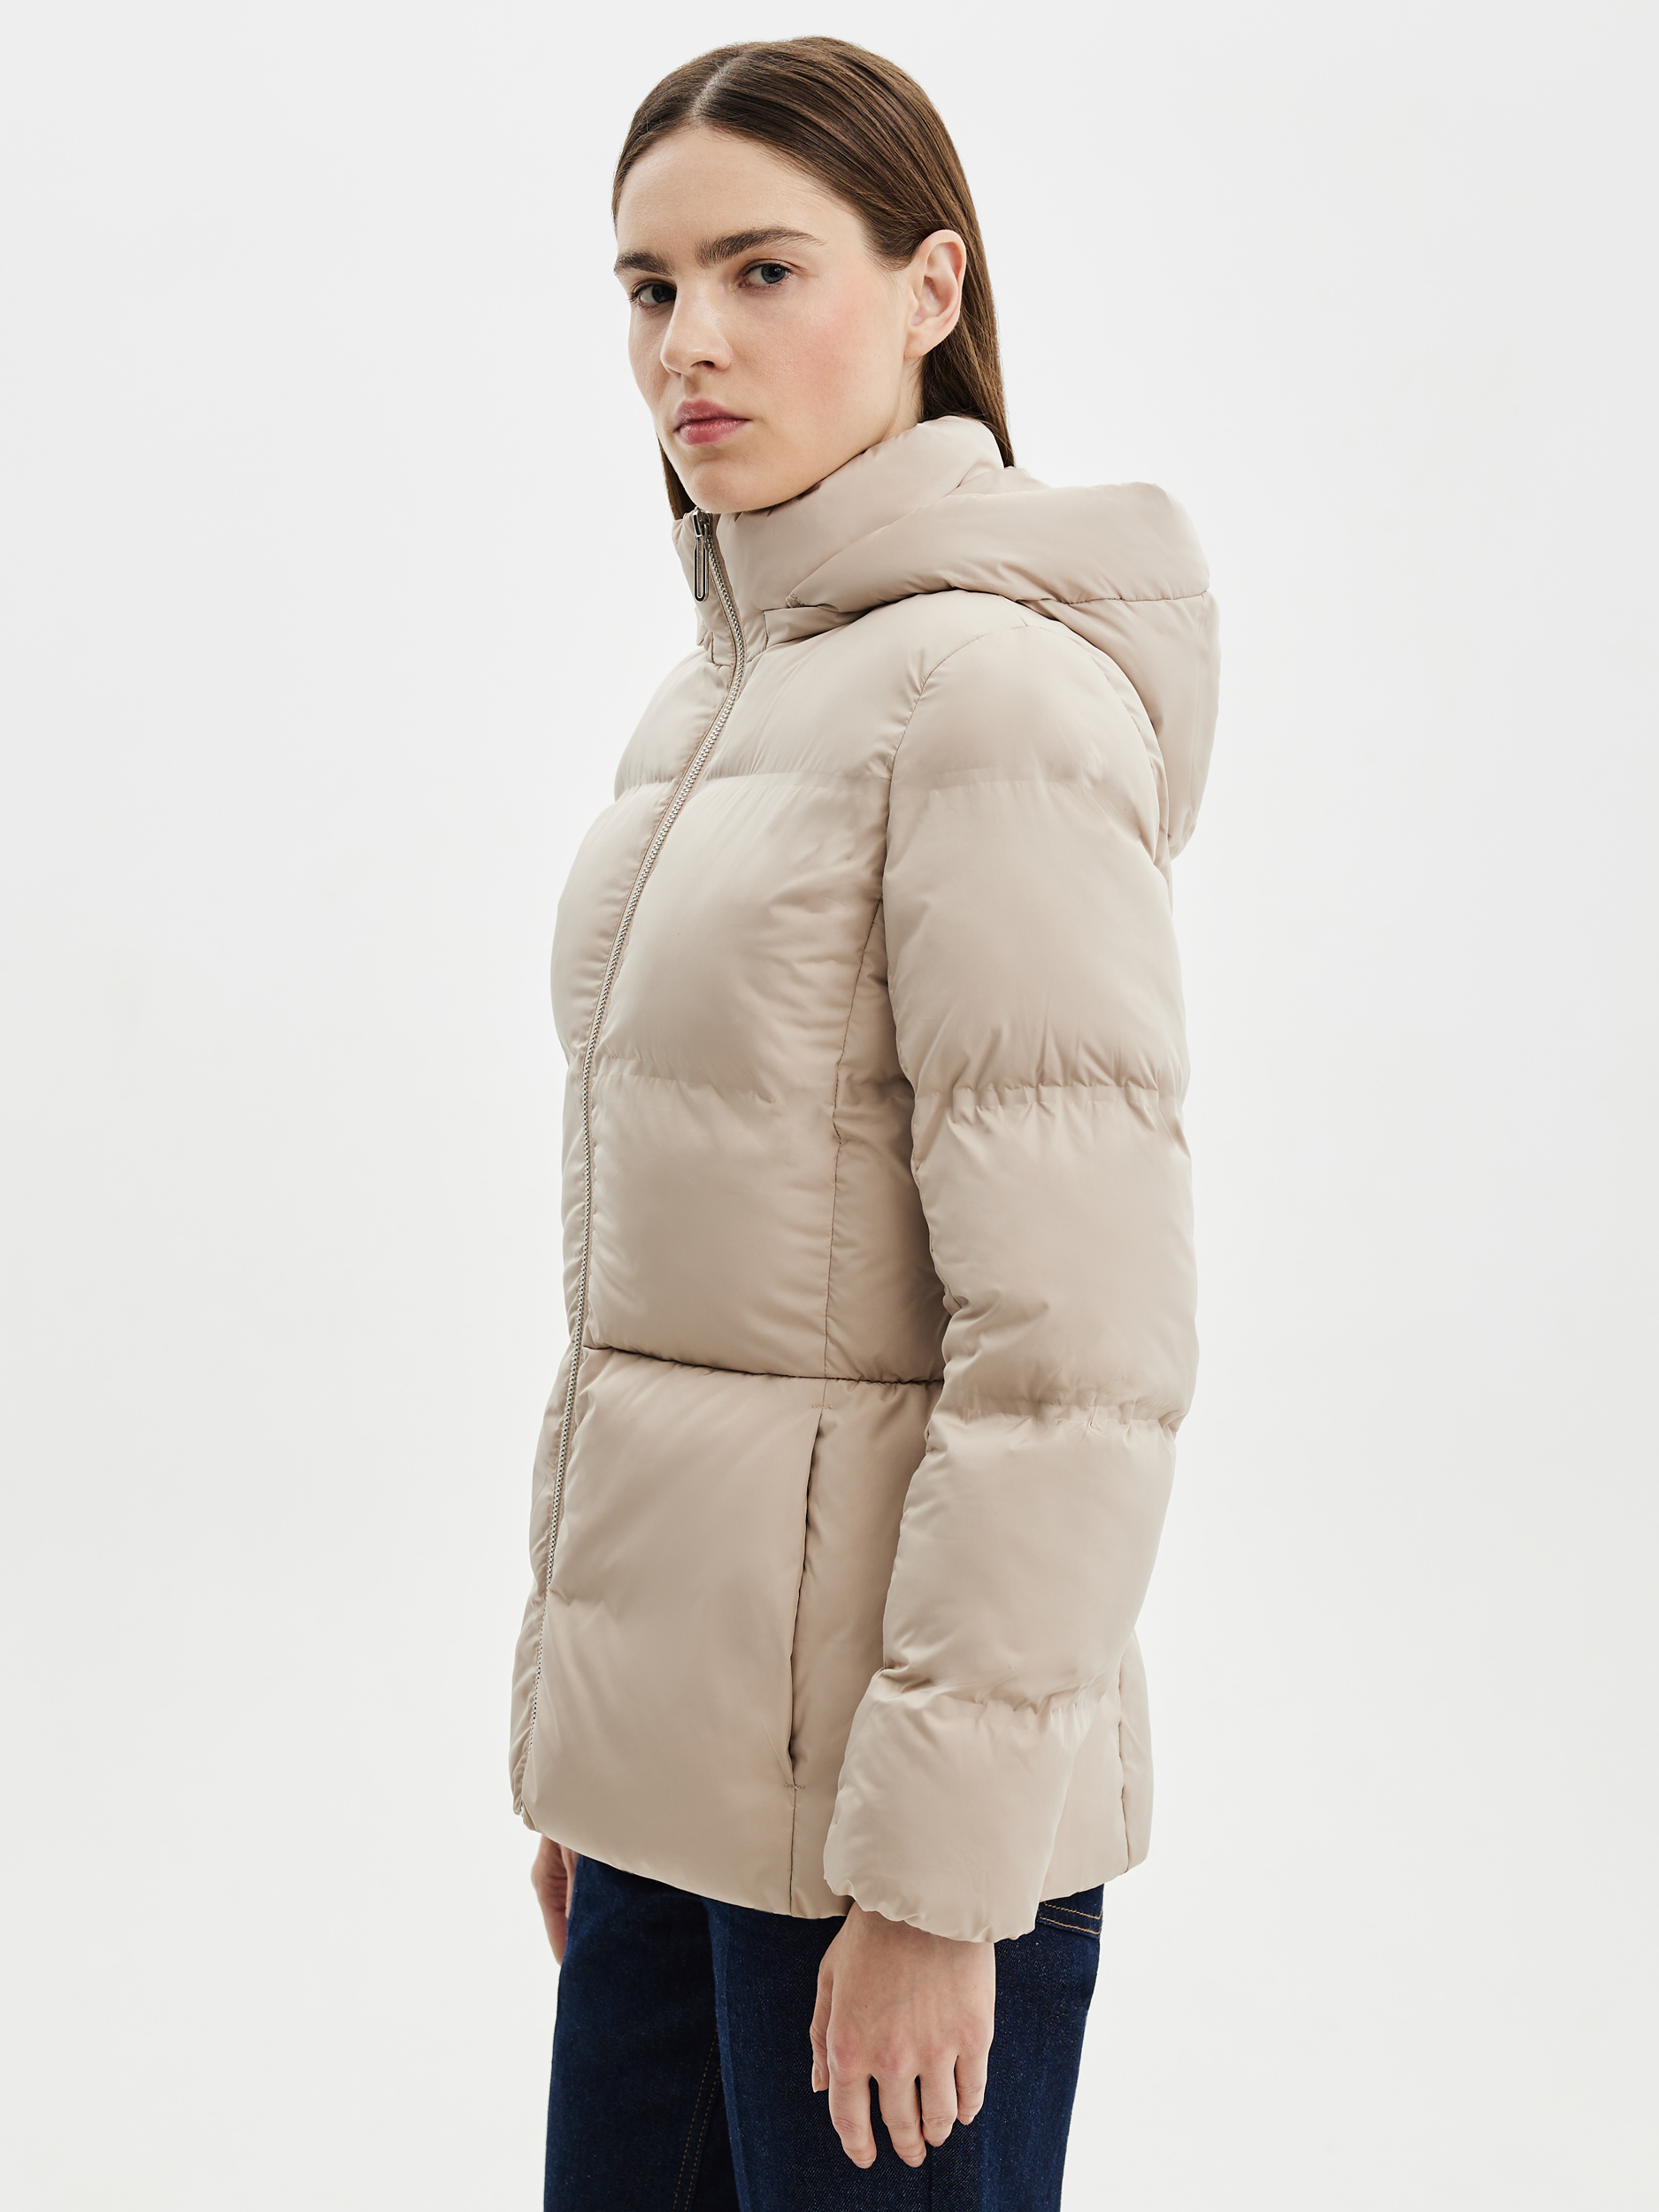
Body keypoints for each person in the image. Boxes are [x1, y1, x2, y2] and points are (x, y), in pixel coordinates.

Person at [510, 35, 1219, 2209]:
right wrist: (603, 1761)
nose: (688, 344)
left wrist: (935, 1879)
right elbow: (670, 1311)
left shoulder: (992, 699)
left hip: (885, 1850)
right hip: (677, 1806)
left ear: (929, 288)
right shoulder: (717, 705)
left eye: (759, 270)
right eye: (647, 288)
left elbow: (1072, 1354)